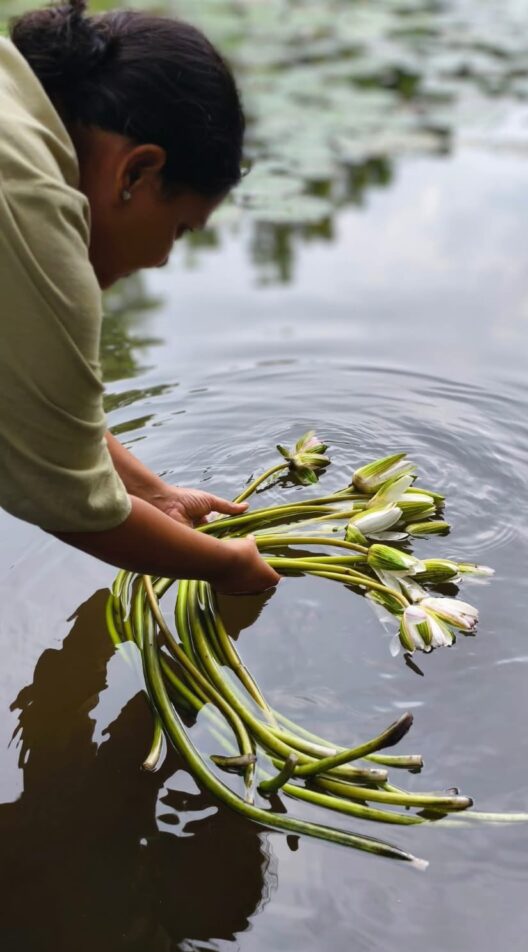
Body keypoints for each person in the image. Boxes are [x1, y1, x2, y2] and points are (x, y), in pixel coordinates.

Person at [0, 0, 281, 594]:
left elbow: (30, 405)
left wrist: (156, 494)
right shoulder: (33, 213)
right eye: (178, 229)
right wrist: (230, 566)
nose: (160, 259)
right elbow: (70, 499)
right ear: (136, 174)